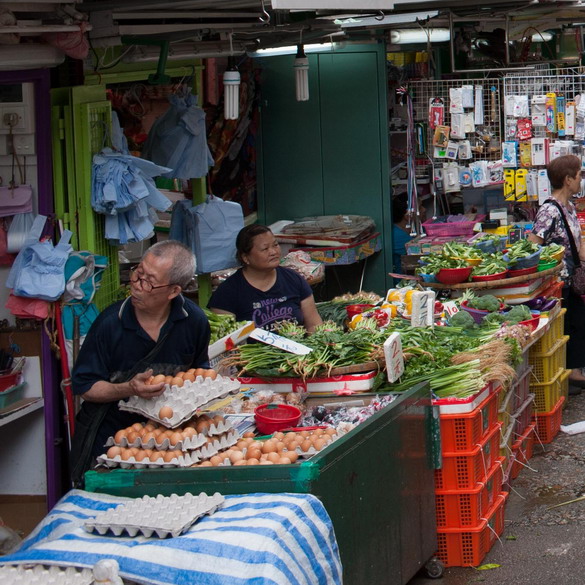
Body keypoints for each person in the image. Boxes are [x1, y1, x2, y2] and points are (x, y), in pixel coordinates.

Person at [70, 240, 210, 482]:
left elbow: (199, 376)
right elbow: (85, 388)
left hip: (166, 441)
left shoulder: (193, 322)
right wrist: (128, 388)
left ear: (174, 291)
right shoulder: (111, 323)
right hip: (108, 440)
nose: (136, 286)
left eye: (148, 281)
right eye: (137, 274)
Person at [527, 154, 585, 392]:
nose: (581, 180)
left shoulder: (569, 207)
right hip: (557, 284)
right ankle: (570, 374)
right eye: (579, 175)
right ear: (568, 179)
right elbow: (532, 245)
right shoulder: (549, 211)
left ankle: (573, 371)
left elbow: (578, 246)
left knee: (577, 323)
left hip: (571, 280)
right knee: (568, 325)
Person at [208, 224, 323, 332]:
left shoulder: (293, 279)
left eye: (275, 245)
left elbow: (314, 324)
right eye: (265, 249)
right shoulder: (227, 293)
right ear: (245, 257)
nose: (273, 252)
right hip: (252, 353)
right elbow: (225, 339)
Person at [392, 193, 414, 272]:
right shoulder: (397, 235)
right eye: (420, 207)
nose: (424, 209)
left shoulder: (406, 231)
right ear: (407, 215)